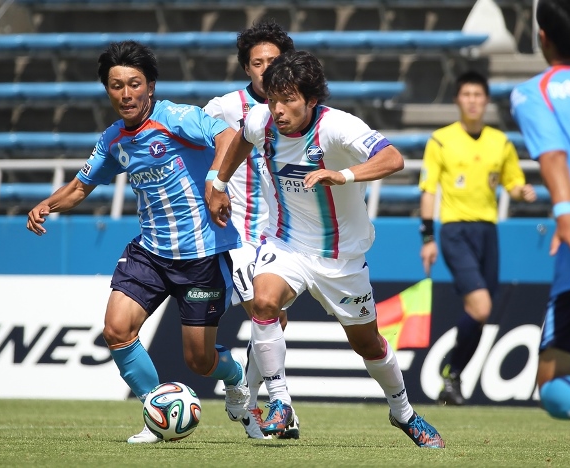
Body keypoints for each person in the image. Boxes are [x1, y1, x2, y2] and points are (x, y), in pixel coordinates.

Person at [208, 50, 445, 448]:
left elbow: (393, 158)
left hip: (341, 260)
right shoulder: (261, 120)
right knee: (264, 302)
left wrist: (343, 174)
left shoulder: (337, 127)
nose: (278, 110)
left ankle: (403, 412)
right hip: (286, 243)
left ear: (311, 100)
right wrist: (218, 183)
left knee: (368, 344)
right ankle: (280, 401)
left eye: (288, 100)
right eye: (273, 99)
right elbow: (241, 140)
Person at [26, 40, 250, 444]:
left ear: (150, 86)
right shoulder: (114, 139)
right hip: (149, 253)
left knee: (199, 361)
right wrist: (47, 205)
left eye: (134, 84)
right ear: (107, 90)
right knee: (117, 330)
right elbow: (79, 187)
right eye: (116, 86)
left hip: (200, 256)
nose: (126, 94)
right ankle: (156, 412)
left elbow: (228, 136)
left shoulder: (176, 118)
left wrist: (215, 183)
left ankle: (235, 376)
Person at [510, 0, 570, 465]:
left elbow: (553, 157)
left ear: (542, 36)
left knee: (552, 383)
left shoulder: (534, 93)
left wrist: (564, 212)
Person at [203, 20, 299, 440]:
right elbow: (195, 144)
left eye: (273, 61)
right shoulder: (225, 107)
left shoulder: (298, 109)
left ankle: (247, 398)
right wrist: (212, 184)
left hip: (282, 236)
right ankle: (276, 407)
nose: (265, 69)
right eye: (257, 62)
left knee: (274, 322)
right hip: (239, 235)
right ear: (246, 68)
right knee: (267, 314)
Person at [418, 70, 537, 405]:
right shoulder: (441, 140)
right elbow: (429, 191)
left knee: (481, 313)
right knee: (482, 306)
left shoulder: (500, 142)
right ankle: (452, 372)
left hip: (488, 231)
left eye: (478, 95)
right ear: (458, 99)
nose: (472, 101)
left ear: (486, 101)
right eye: (466, 94)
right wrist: (428, 238)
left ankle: (453, 377)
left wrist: (522, 191)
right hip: (455, 231)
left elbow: (512, 183)